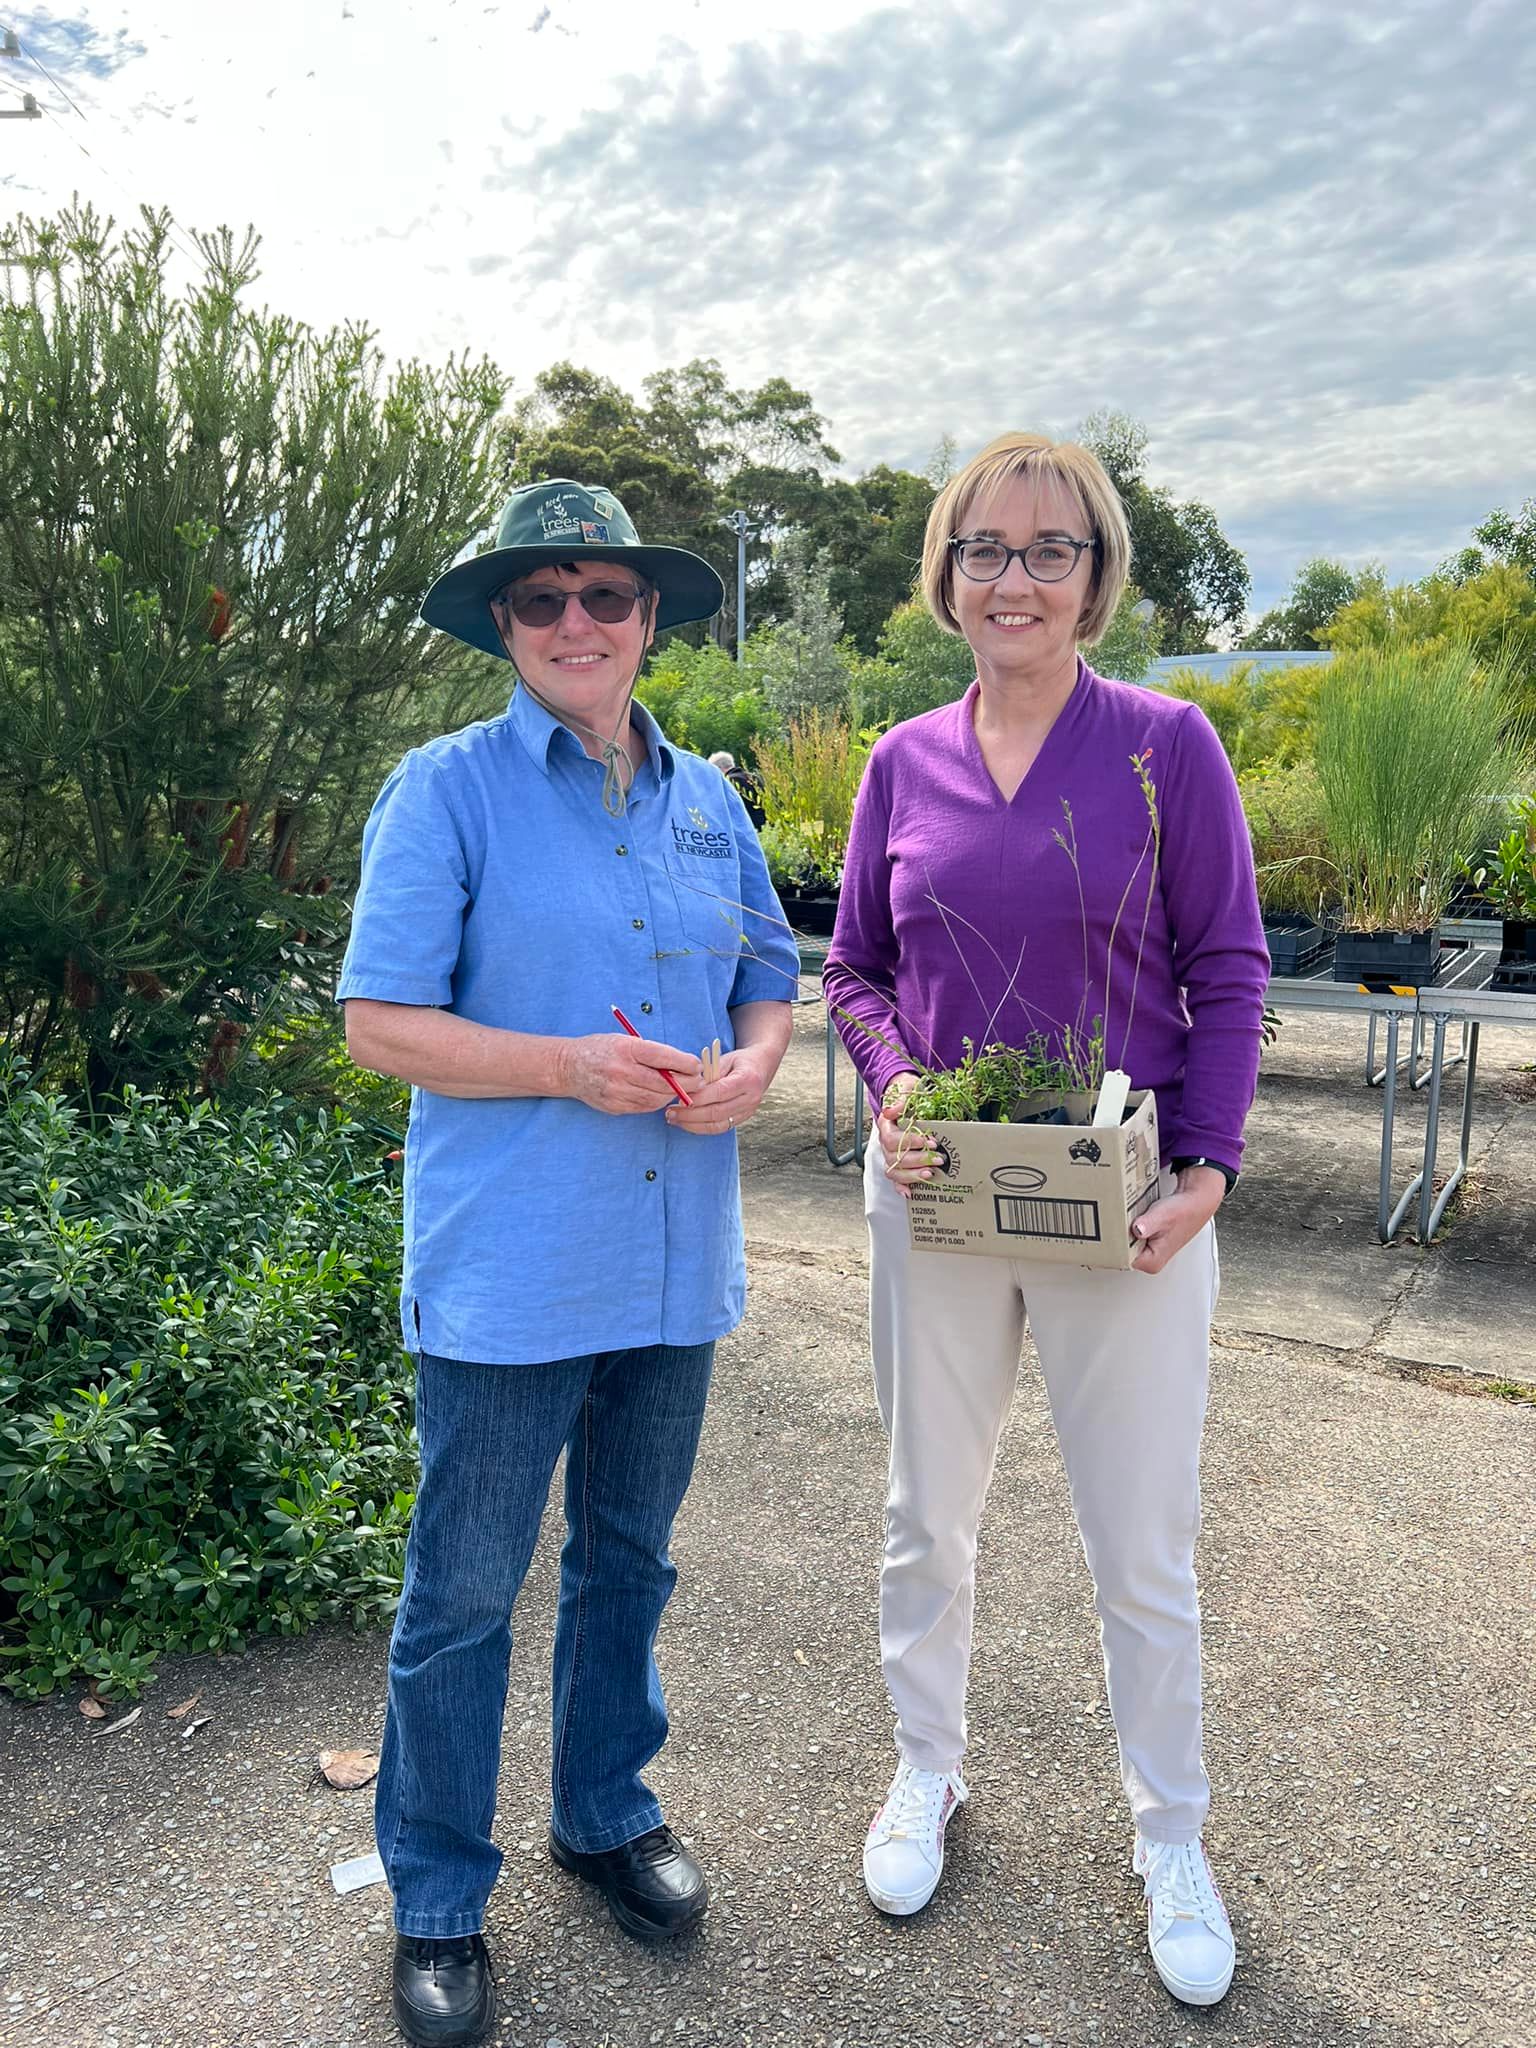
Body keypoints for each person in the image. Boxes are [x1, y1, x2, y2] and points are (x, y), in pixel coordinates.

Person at [339, 478, 798, 2047]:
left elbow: (766, 974)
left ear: (652, 620)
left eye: (607, 595)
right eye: (544, 600)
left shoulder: (707, 801)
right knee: (465, 1593)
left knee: (631, 1562)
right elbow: (379, 1024)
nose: (578, 623)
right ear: (505, 629)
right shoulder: (444, 792)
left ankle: (604, 1815)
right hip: (513, 1272)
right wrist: (561, 1068)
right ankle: (438, 1898)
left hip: (673, 1262)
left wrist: (758, 1061)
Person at [822, 432, 1268, 2009]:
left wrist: (1208, 1165)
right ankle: (925, 1771)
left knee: (1140, 1543)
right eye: (984, 550)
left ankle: (1171, 1834)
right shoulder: (901, 761)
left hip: (1122, 1208)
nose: (1015, 578)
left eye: (1048, 549)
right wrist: (887, 1083)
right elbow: (857, 969)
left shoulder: (1165, 749)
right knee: (922, 1514)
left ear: (1096, 576)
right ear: (945, 576)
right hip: (937, 1193)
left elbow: (1228, 968)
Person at [707, 748, 767, 829]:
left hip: (750, 827)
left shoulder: (728, 781)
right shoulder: (754, 777)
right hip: (767, 824)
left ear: (717, 768)